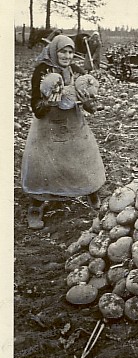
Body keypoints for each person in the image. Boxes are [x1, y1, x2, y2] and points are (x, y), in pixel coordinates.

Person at [21, 34, 106, 230]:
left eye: (70, 51)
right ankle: (36, 205)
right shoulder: (42, 71)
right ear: (54, 51)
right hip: (47, 125)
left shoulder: (76, 71)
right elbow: (36, 107)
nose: (67, 56)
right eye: (63, 51)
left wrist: (89, 103)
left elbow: (89, 105)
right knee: (42, 165)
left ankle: (90, 191)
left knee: (85, 156)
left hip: (73, 123)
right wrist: (47, 103)